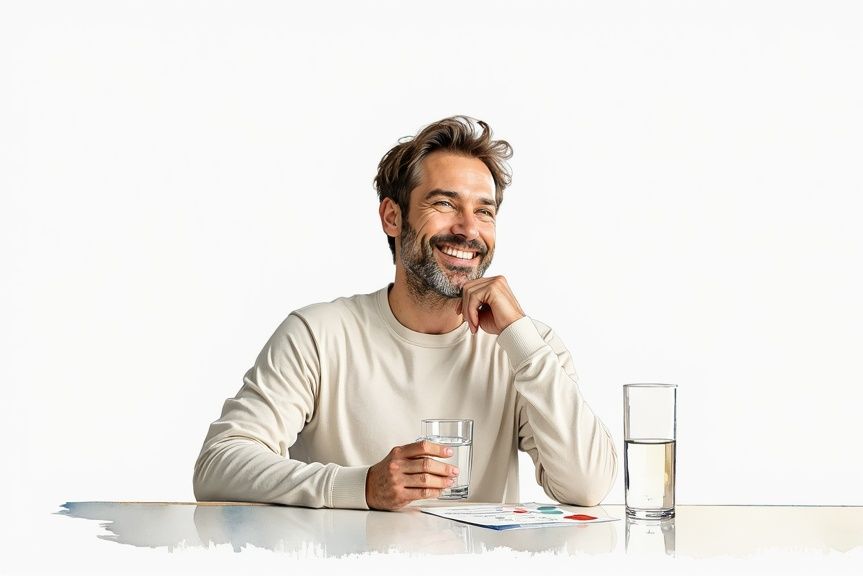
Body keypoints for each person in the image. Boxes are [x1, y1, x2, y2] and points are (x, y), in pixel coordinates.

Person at [193, 116, 617, 510]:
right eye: (445, 204)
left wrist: (519, 334)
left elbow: (587, 486)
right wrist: (362, 486)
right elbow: (219, 464)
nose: (469, 229)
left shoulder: (527, 347)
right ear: (392, 217)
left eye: (484, 211)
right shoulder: (318, 336)